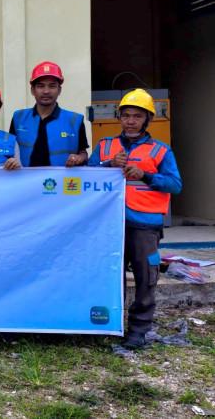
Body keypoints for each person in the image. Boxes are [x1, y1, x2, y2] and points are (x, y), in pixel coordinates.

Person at [88, 88, 182, 349]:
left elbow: (175, 185)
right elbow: (87, 174)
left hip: (145, 225)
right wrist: (108, 165)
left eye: (137, 116)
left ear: (147, 119)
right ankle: (110, 325)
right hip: (110, 224)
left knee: (145, 278)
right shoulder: (105, 146)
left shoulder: (160, 150)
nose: (130, 121)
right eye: (126, 115)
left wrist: (146, 175)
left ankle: (139, 329)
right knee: (109, 277)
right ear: (119, 117)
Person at [9, 61, 88, 167]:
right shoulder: (18, 118)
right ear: (32, 90)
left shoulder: (75, 120)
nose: (46, 91)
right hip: (26, 178)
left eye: (52, 86)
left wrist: (79, 158)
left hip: (62, 177)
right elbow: (10, 150)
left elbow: (83, 153)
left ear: (59, 90)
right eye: (40, 86)